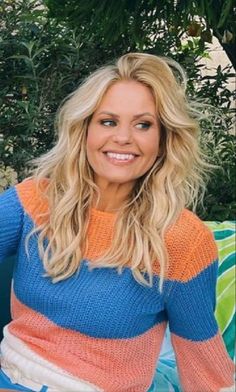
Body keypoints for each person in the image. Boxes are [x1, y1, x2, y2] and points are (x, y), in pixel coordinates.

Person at [0, 52, 234, 392]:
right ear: (84, 130)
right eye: (108, 121)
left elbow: (202, 359)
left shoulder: (183, 240)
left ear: (164, 139)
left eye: (143, 124)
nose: (123, 137)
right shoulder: (34, 200)